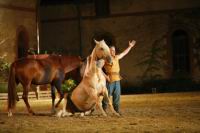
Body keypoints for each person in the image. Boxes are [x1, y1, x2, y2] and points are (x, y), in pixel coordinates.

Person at [102, 40, 136, 115]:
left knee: (117, 96)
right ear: (108, 51)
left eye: (114, 50)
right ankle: (103, 110)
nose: (113, 52)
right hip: (109, 80)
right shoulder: (105, 59)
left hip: (117, 79)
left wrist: (130, 46)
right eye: (111, 50)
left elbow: (124, 53)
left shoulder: (116, 57)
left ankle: (116, 111)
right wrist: (105, 76)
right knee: (106, 96)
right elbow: (98, 68)